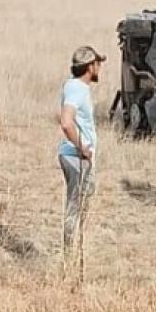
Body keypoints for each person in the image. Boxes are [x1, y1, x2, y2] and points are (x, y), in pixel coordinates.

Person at [58, 45, 105, 252]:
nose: (99, 68)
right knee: (75, 206)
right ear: (90, 67)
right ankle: (71, 255)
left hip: (75, 155)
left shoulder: (72, 85)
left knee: (80, 204)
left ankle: (77, 250)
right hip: (77, 157)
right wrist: (82, 148)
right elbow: (66, 122)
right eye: (97, 64)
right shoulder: (78, 89)